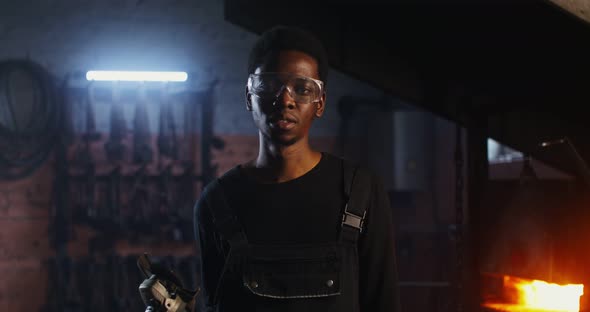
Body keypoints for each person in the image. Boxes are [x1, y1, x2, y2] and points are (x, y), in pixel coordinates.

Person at [194, 25, 400, 312]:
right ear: (248, 97)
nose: (285, 100)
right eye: (268, 85)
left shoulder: (361, 194)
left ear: (320, 102)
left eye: (302, 89)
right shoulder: (217, 203)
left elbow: (383, 304)